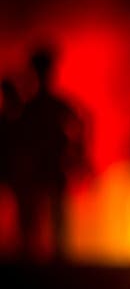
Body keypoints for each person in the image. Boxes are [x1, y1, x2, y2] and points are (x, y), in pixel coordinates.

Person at [15, 46, 86, 260]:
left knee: (53, 212)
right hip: (41, 165)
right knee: (37, 212)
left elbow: (80, 124)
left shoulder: (37, 107)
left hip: (50, 164)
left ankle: (51, 255)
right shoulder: (36, 107)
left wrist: (75, 153)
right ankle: (37, 253)